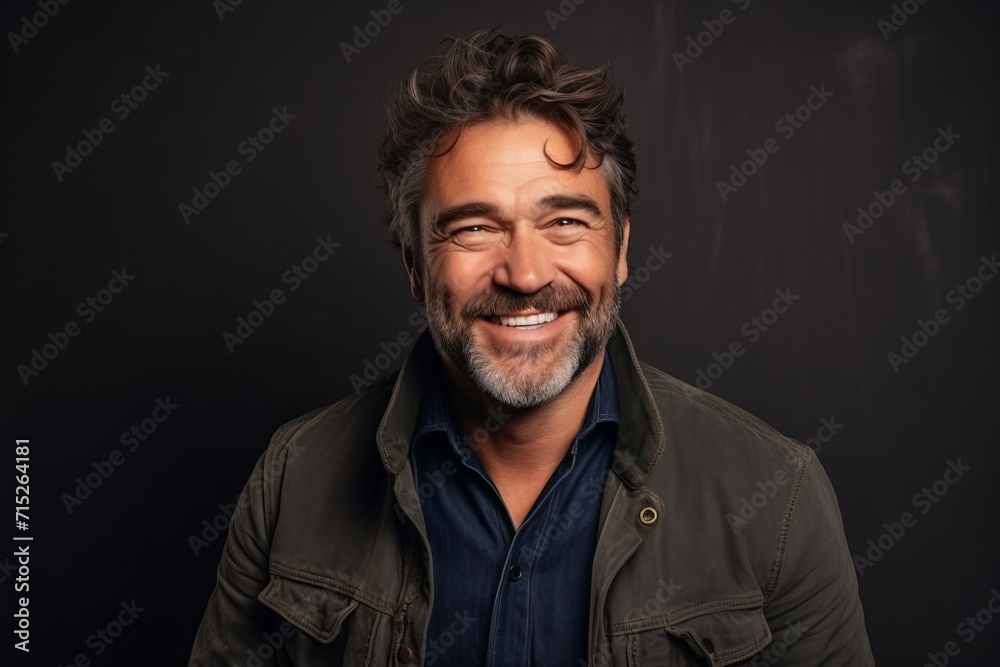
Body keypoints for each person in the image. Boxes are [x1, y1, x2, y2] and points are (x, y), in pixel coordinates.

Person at [190, 29, 874, 666]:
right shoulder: (294, 479)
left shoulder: (775, 497)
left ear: (622, 247)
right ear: (413, 265)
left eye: (566, 221)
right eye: (474, 229)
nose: (525, 274)